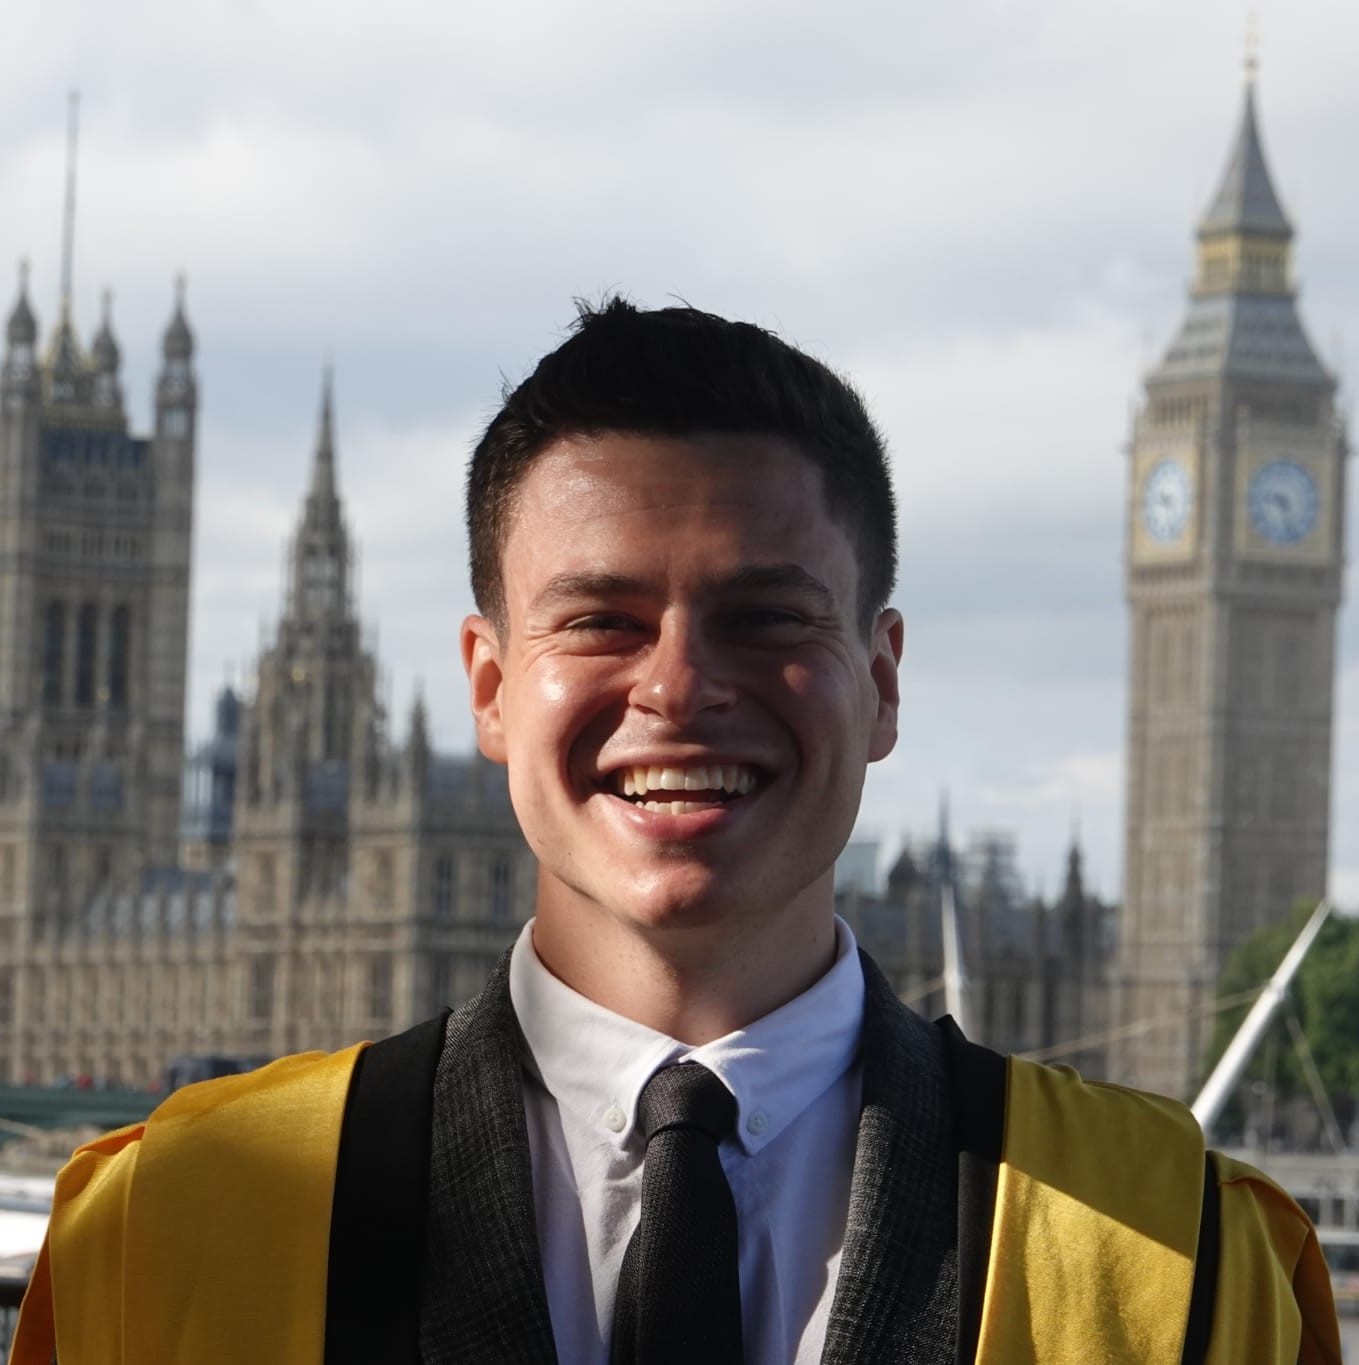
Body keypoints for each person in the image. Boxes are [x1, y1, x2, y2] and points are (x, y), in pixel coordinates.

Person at [14, 300, 1341, 1364]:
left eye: (765, 618)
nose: (678, 686)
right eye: (601, 619)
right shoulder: (172, 1227)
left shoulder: (1184, 1259)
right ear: (488, 688)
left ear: (883, 681)